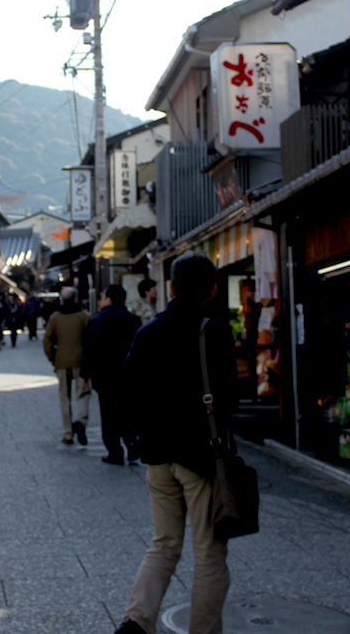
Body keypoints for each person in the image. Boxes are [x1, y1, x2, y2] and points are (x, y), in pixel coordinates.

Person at [114, 251, 237, 634]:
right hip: (199, 456)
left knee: (164, 544)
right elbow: (230, 399)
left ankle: (137, 621)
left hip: (158, 456)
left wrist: (138, 441)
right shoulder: (214, 332)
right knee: (209, 552)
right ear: (212, 290)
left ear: (170, 287)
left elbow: (128, 393)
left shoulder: (148, 331)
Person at [80, 285, 141, 465]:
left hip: (104, 374)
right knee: (128, 411)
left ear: (109, 299)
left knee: (108, 414)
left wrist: (85, 373)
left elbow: (90, 348)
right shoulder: (133, 320)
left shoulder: (98, 320)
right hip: (128, 373)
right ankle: (132, 445)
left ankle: (115, 451)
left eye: (103, 296)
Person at [43, 286, 91, 445]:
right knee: (83, 393)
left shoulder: (55, 317)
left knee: (64, 396)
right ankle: (80, 419)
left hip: (61, 360)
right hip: (80, 360)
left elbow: (47, 340)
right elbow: (90, 339)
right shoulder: (84, 316)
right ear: (76, 298)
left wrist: (53, 358)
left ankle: (67, 432)